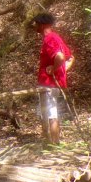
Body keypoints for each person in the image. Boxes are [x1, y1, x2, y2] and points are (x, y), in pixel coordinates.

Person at [31, 12, 74, 144]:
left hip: (48, 84)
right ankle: (52, 142)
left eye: (36, 23)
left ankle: (52, 143)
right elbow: (70, 58)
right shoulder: (56, 37)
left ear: (42, 25)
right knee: (49, 112)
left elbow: (60, 57)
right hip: (53, 83)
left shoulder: (50, 38)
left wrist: (54, 69)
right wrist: (61, 70)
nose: (34, 26)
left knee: (49, 114)